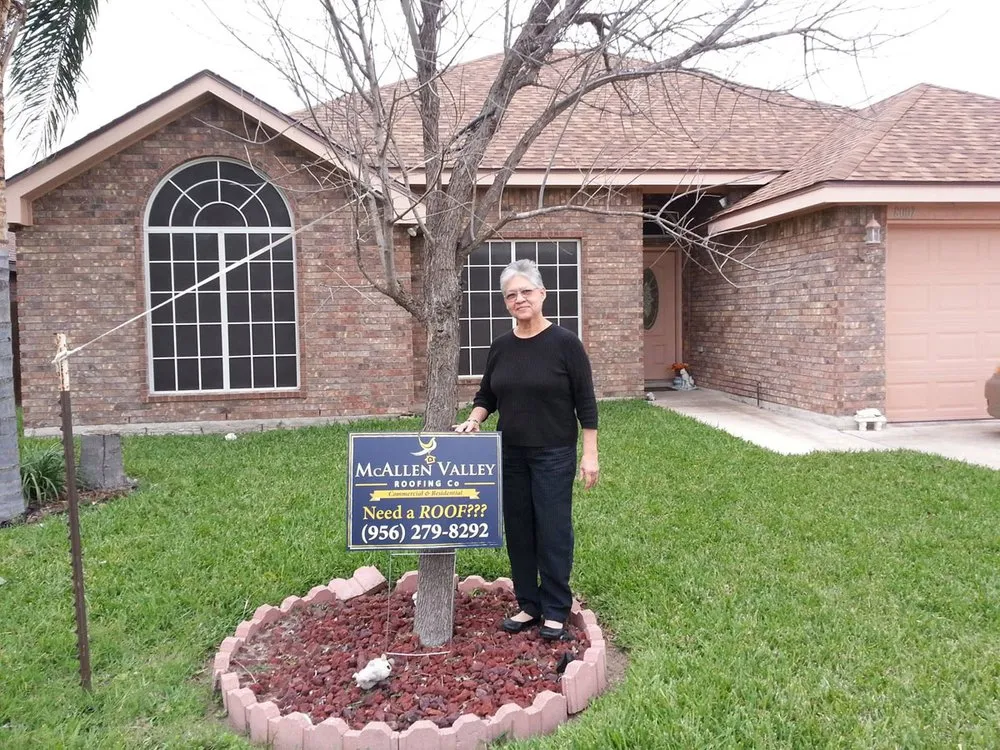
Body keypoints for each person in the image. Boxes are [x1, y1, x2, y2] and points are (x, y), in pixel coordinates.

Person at [453, 259, 599, 641]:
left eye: (525, 292)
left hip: (554, 452)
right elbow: (487, 394)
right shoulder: (501, 347)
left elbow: (586, 403)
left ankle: (555, 608)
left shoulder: (566, 344)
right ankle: (528, 604)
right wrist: (476, 418)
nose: (519, 299)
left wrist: (590, 453)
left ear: (542, 294)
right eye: (511, 295)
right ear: (506, 302)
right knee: (519, 530)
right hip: (510, 453)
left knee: (552, 530)